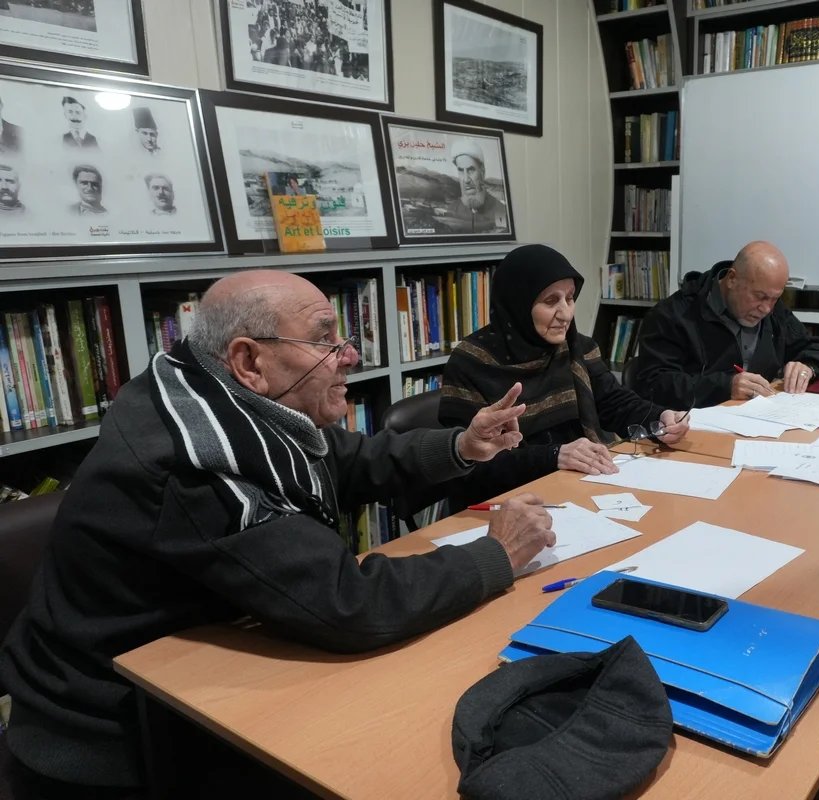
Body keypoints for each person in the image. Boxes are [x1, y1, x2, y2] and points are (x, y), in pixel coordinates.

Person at [0, 270, 556, 796]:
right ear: (249, 360)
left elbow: (346, 459)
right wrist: (497, 553)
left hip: (209, 672)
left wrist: (461, 446)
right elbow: (348, 604)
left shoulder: (220, 391)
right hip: (113, 738)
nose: (350, 355)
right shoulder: (198, 462)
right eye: (324, 339)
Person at [439, 244, 689, 509]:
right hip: (504, 504)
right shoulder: (472, 362)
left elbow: (613, 402)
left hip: (576, 487)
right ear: (518, 304)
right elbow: (473, 465)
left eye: (570, 298)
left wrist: (659, 418)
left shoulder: (577, 347)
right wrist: (555, 456)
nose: (566, 313)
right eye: (551, 301)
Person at [632, 240, 819, 409]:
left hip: (760, 421)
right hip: (690, 427)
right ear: (731, 279)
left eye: (775, 298)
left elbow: (817, 347)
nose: (766, 309)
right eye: (759, 296)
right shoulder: (673, 315)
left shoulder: (773, 310)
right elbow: (653, 384)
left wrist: (808, 367)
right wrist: (725, 386)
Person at [444, 138, 509, 234]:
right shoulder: (452, 210)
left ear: (482, 172)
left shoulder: (501, 210)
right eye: (461, 171)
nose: (466, 179)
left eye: (471, 170)